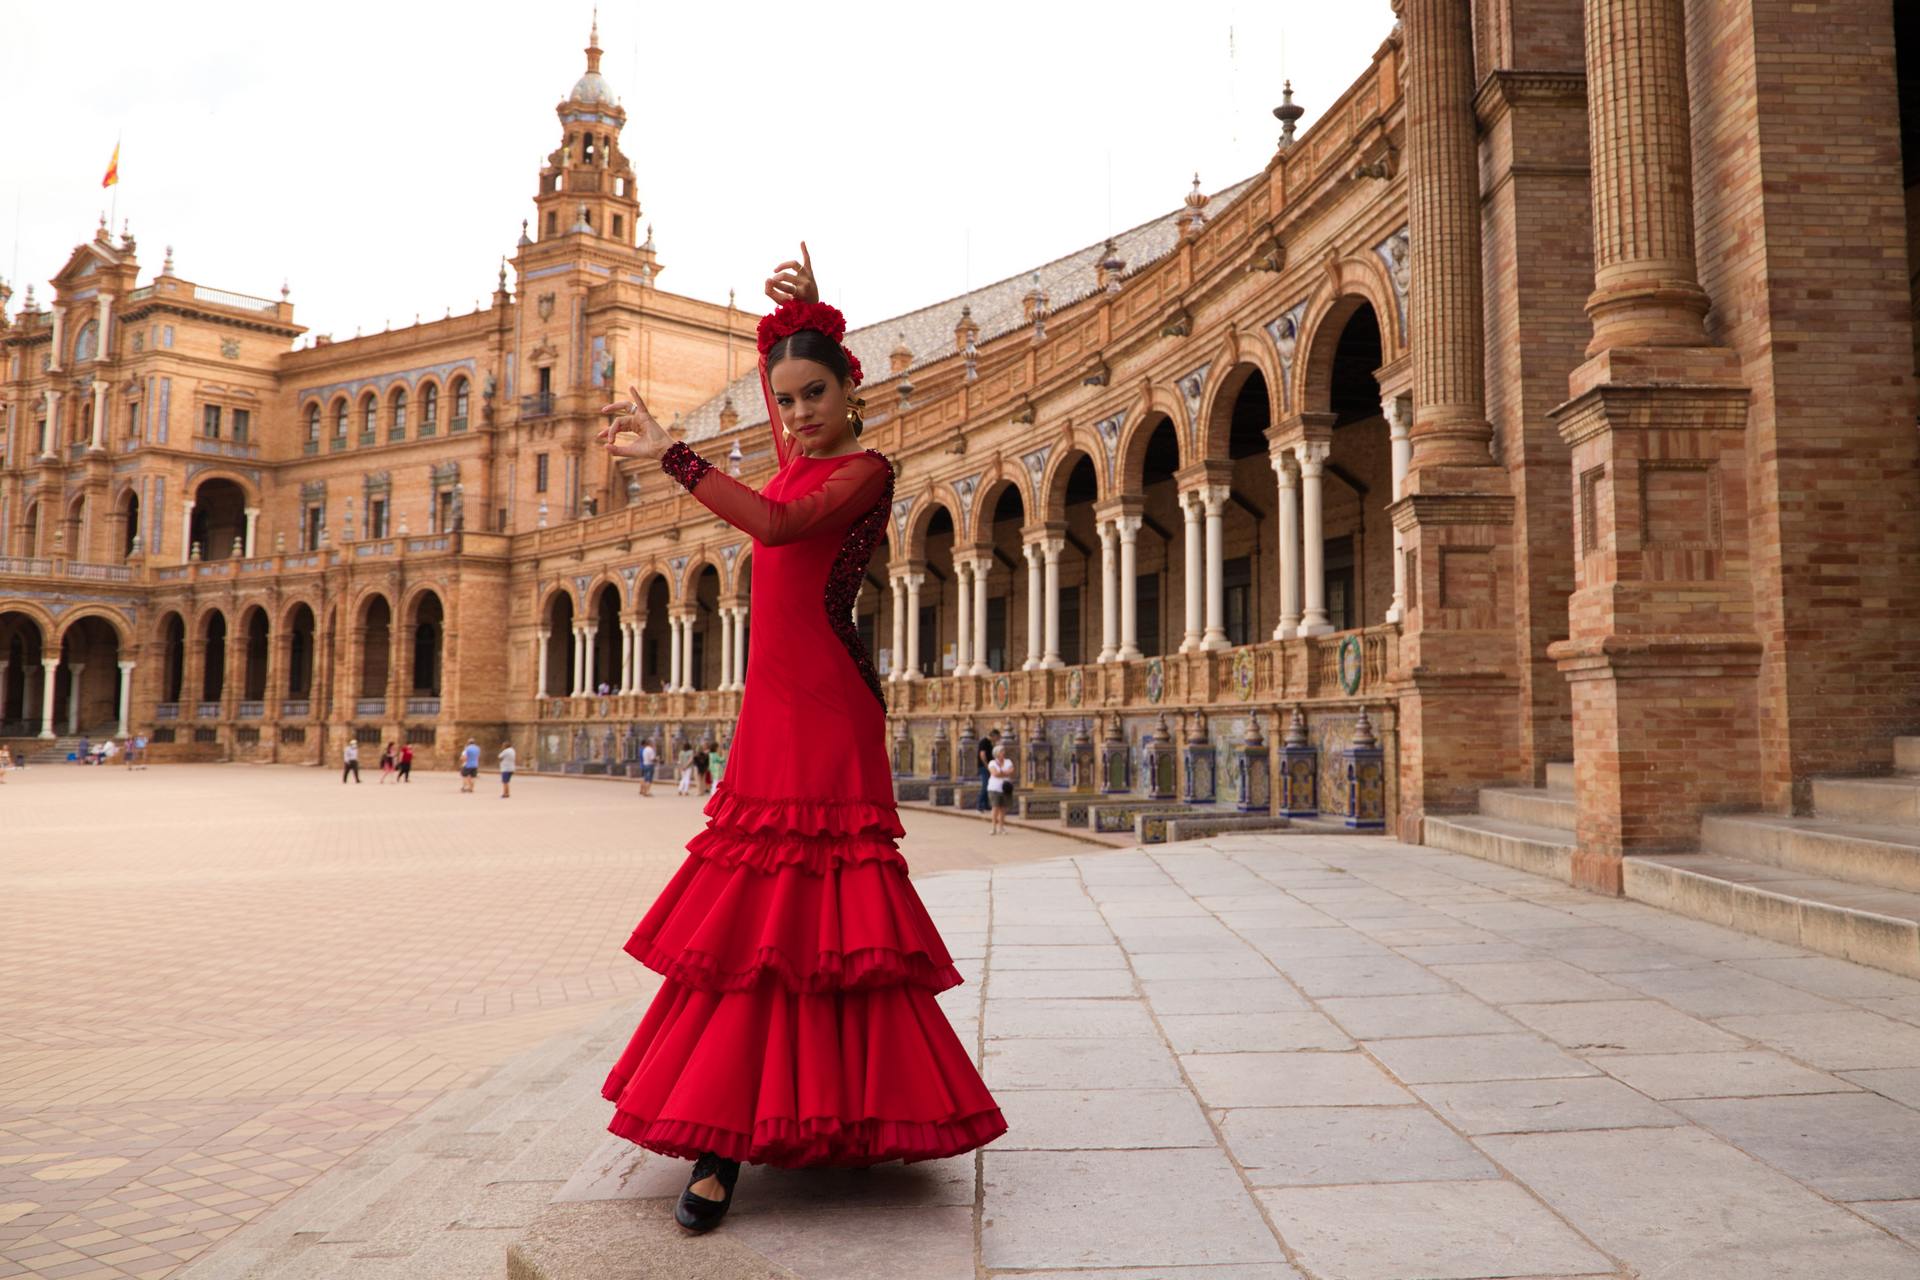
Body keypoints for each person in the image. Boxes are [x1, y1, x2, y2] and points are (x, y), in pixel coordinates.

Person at [594, 244, 1004, 1235]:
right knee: (753, 932)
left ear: (850, 390)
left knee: (821, 929)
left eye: (815, 390)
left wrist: (674, 457)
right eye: (785, 398)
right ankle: (725, 1129)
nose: (801, 411)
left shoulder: (865, 470)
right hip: (768, 713)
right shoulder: (795, 460)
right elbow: (776, 477)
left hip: (827, 712)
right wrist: (783, 321)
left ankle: (758, 1135)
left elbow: (778, 528)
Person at [987, 744, 1016, 835]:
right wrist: (1005, 773)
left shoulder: (1008, 761)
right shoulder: (992, 763)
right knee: (995, 808)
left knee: (1003, 809)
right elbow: (994, 773)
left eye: (1003, 751)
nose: (1004, 753)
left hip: (1005, 789)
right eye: (1002, 751)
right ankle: (993, 827)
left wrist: (1001, 773)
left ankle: (1001, 827)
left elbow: (1012, 771)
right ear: (997, 753)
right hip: (994, 788)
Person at [975, 728, 998, 813]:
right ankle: (979, 805)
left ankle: (986, 805)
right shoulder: (984, 742)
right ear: (994, 735)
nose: (997, 739)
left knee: (989, 786)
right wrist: (987, 766)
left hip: (988, 767)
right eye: (997, 737)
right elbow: (982, 755)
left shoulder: (990, 743)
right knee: (985, 786)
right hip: (984, 768)